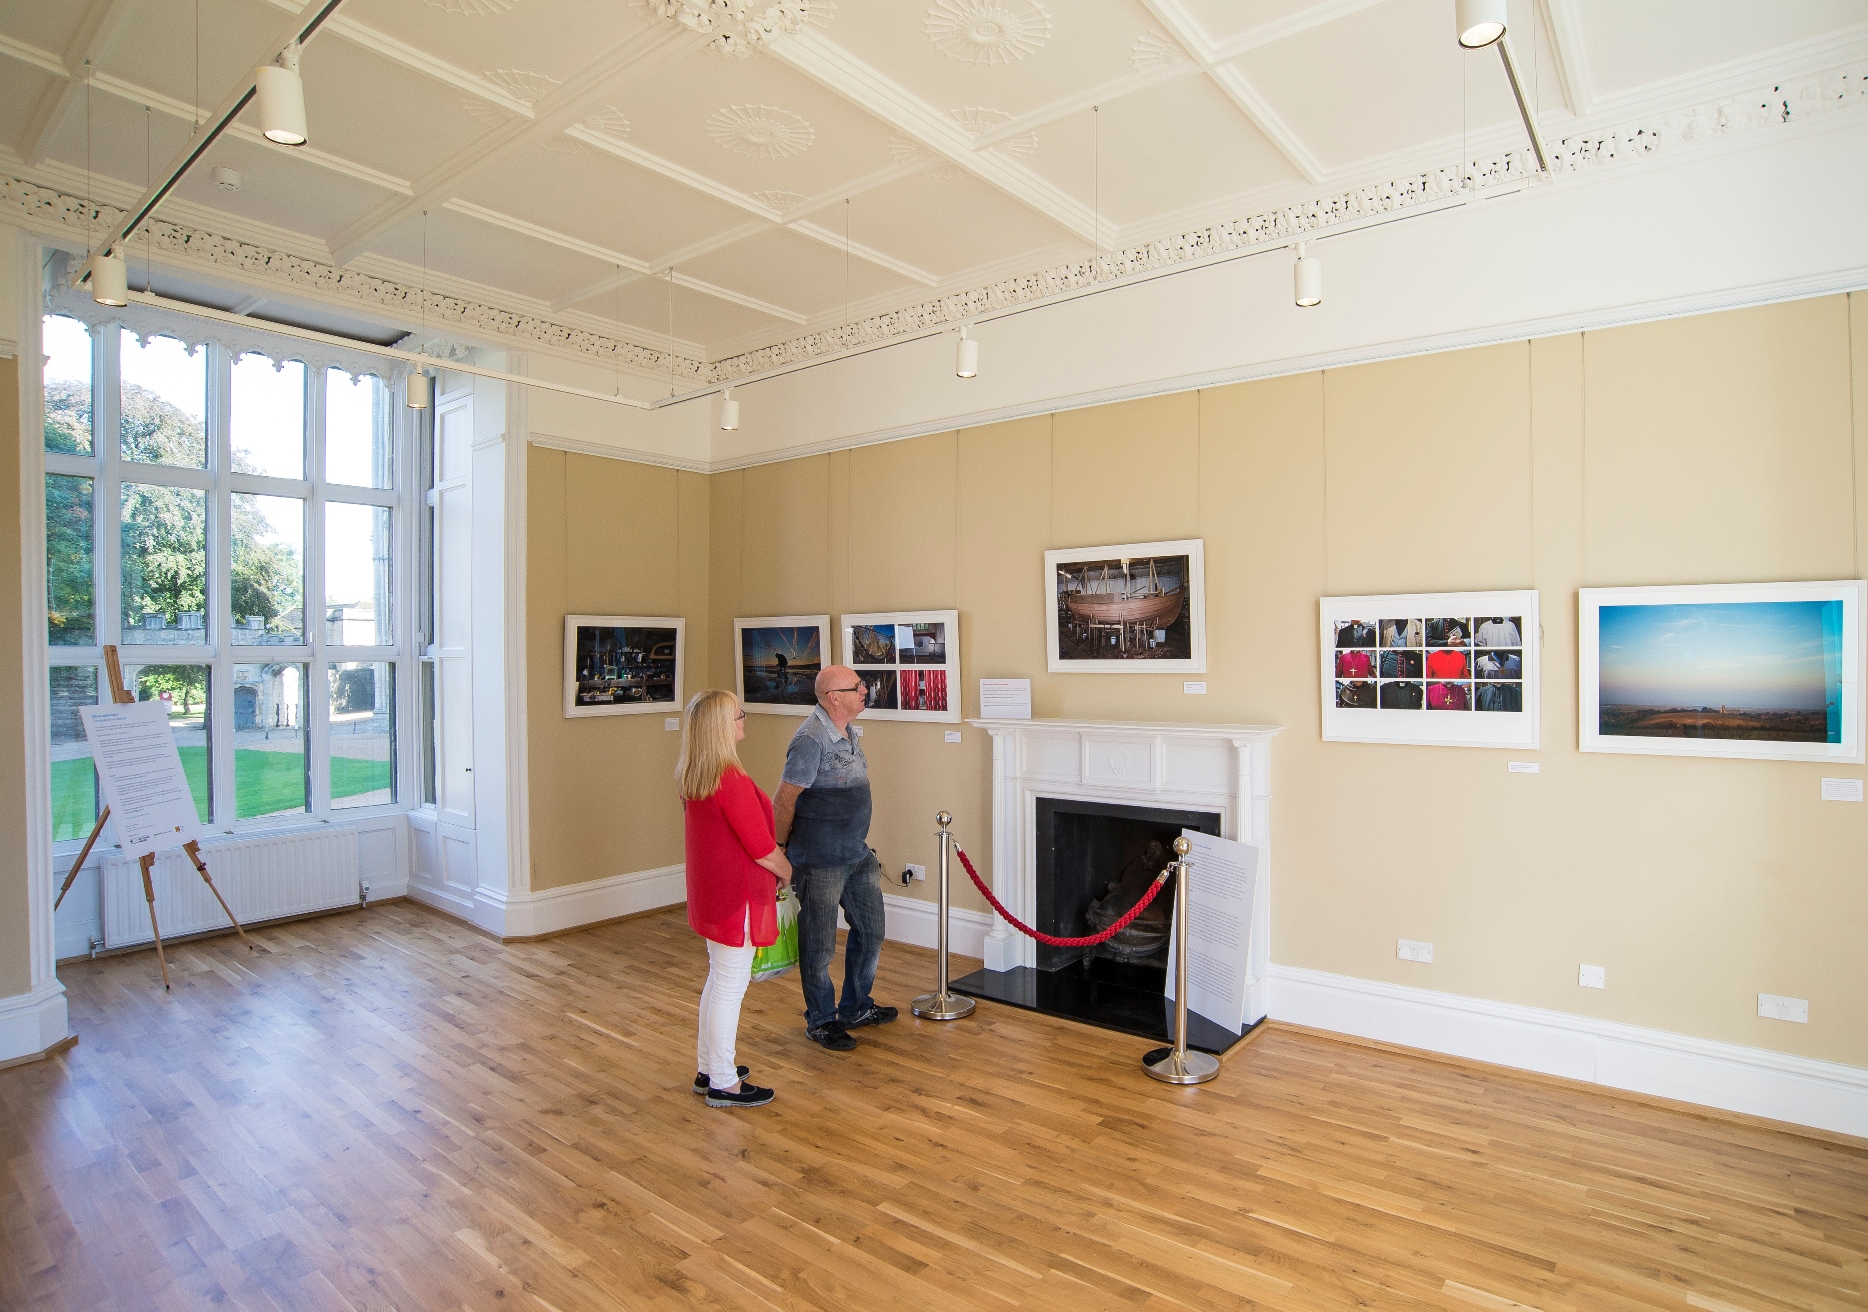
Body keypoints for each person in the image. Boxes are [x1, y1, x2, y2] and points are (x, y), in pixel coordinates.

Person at [678, 689, 791, 1109]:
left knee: (719, 980)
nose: (745, 718)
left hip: (713, 894)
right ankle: (723, 1081)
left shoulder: (696, 775)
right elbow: (761, 847)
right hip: (736, 897)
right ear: (722, 727)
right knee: (729, 985)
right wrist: (787, 871)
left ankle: (710, 1066)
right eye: (738, 713)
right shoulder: (731, 780)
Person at [774, 665, 895, 1051]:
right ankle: (822, 1020)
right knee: (819, 946)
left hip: (856, 854)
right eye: (856, 687)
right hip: (820, 859)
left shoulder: (847, 730)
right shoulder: (810, 740)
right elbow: (784, 799)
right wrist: (779, 849)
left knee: (871, 930)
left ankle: (856, 1008)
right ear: (833, 698)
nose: (865, 690)